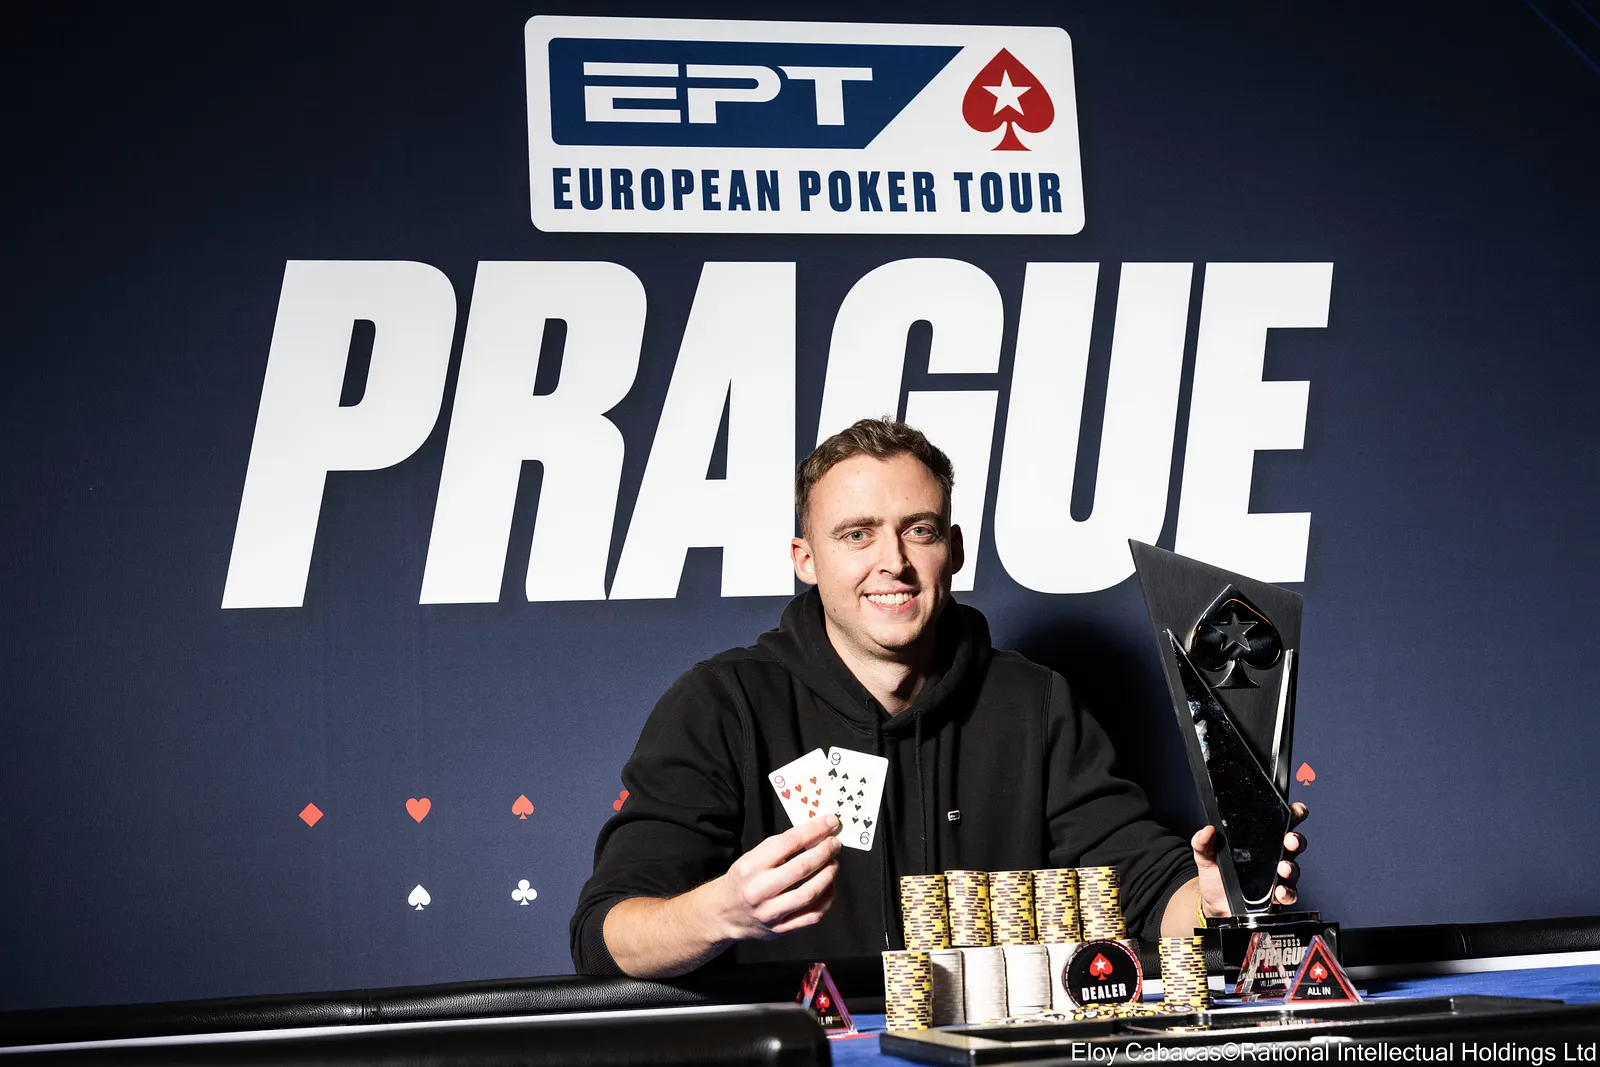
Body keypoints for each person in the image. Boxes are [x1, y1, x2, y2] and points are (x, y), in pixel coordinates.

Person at [570, 418, 1307, 978]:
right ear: (806, 559)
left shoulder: (1033, 703)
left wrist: (1212, 900)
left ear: (952, 549)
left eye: (917, 531)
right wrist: (722, 911)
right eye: (856, 535)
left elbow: (1146, 894)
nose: (891, 562)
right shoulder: (723, 704)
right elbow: (605, 937)